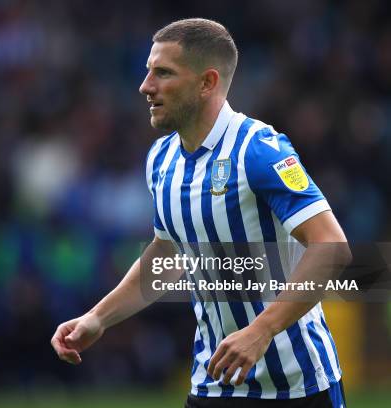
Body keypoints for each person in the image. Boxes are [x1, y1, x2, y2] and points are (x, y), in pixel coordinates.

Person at [51, 18, 351, 408]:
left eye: (163, 73)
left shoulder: (258, 150)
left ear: (207, 82)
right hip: (214, 383)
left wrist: (260, 331)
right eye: (148, 72)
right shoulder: (161, 159)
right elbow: (168, 253)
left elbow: (332, 248)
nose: (146, 86)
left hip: (297, 386)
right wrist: (98, 317)